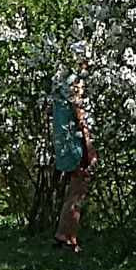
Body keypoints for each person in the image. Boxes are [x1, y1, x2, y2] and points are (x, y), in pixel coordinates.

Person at [47, 66, 96, 254]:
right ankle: (69, 237)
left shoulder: (61, 86)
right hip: (76, 145)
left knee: (73, 191)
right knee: (78, 192)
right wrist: (88, 144)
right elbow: (80, 113)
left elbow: (50, 111)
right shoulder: (75, 83)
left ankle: (63, 233)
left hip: (64, 145)